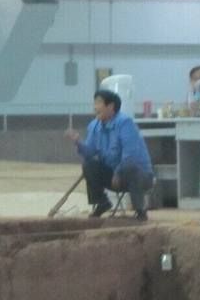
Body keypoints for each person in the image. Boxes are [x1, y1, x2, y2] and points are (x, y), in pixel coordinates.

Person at [64, 89, 154, 220]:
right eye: (94, 103)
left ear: (111, 106)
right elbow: (89, 152)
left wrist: (118, 173)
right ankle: (102, 203)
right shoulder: (94, 126)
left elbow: (131, 154)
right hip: (113, 178)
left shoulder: (125, 123)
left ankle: (140, 210)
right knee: (89, 165)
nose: (95, 107)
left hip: (139, 177)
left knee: (129, 166)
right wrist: (78, 141)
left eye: (98, 103)